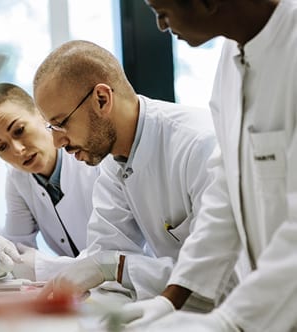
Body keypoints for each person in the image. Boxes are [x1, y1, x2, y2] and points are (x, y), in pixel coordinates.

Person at [119, 0, 297, 331]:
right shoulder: (230, 62)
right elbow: (227, 188)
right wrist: (171, 299)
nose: (160, 25)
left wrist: (231, 319)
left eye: (162, 11)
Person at [32, 40, 238, 311]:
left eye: (61, 124)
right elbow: (102, 257)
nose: (57, 142)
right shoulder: (114, 163)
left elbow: (224, 280)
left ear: (102, 99)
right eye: (51, 127)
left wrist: (117, 267)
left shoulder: (199, 145)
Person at [0, 83, 99, 281]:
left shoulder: (93, 158)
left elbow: (115, 259)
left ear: (41, 113)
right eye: (1, 147)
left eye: (19, 130)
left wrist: (45, 268)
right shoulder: (17, 178)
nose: (17, 149)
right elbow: (17, 249)